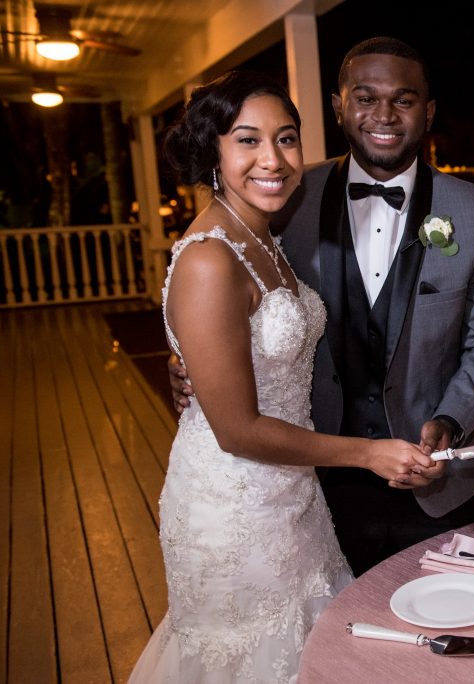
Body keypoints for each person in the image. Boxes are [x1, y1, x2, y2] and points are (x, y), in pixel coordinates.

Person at [170, 37, 474, 576]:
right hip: (315, 483)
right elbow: (213, 283)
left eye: (403, 100)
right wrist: (194, 361)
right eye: (365, 97)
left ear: (428, 112)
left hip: (436, 488)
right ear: (338, 107)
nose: (383, 114)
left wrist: (450, 419)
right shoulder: (285, 197)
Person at [131, 70, 433, 683]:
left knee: (309, 649)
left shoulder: (263, 236)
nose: (272, 158)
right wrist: (369, 453)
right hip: (235, 505)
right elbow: (237, 430)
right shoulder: (211, 258)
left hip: (291, 495)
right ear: (212, 150)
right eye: (247, 140)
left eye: (287, 138)